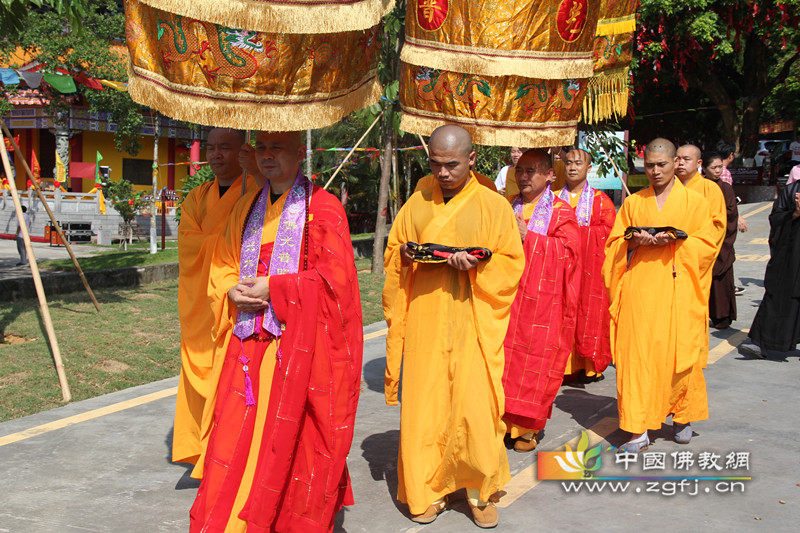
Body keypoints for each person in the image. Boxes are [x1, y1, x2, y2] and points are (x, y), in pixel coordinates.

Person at [190, 130, 363, 532]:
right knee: (235, 435)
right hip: (249, 345)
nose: (267, 156)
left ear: (300, 152)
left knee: (292, 439)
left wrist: (279, 288)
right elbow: (227, 261)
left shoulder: (324, 207)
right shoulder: (249, 204)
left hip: (297, 350)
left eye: (277, 147)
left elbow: (336, 284)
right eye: (262, 148)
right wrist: (233, 288)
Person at [383, 125, 524, 528]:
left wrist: (480, 264)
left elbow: (511, 262)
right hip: (427, 316)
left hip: (473, 317)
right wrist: (408, 256)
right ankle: (427, 488)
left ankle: (480, 489)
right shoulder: (417, 202)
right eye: (435, 164)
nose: (442, 173)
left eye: (451, 165)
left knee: (475, 407)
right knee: (426, 406)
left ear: (471, 159)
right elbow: (396, 250)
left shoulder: (493, 206)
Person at [602, 138, 718, 452]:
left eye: (661, 165)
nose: (655, 171)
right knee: (637, 357)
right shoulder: (634, 203)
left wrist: (676, 240)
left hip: (678, 289)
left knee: (680, 355)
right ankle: (638, 428)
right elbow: (613, 245)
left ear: (675, 163)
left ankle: (682, 415)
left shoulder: (695, 203)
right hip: (640, 288)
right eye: (649, 165)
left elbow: (708, 246)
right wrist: (635, 241)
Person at [172, 128, 262, 469]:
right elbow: (187, 245)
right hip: (202, 302)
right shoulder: (196, 196)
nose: (216, 155)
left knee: (236, 378)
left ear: (243, 151)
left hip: (237, 301)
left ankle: (227, 453)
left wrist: (223, 247)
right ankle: (201, 449)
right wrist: (225, 244)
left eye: (225, 147)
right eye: (211, 147)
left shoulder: (256, 192)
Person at [502, 149, 581, 452]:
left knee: (534, 365)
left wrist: (530, 239)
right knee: (504, 363)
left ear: (550, 174)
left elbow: (570, 254)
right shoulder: (509, 206)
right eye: (519, 170)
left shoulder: (560, 211)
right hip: (508, 298)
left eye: (531, 171)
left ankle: (527, 427)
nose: (523, 176)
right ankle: (501, 422)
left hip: (542, 304)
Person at [555, 148, 616, 383]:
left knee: (588, 313)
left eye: (578, 163)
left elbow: (610, 234)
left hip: (589, 271)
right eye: (568, 163)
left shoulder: (602, 201)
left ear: (588, 168)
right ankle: (563, 366)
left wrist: (575, 234)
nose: (572, 167)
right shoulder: (552, 199)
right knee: (561, 314)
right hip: (560, 269)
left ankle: (589, 366)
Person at [675, 144, 727, 366]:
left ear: (698, 164)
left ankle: (691, 357)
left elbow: (717, 226)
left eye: (686, 159)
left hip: (693, 260)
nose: (680, 163)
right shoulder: (667, 188)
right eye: (676, 159)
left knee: (692, 310)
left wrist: (688, 245)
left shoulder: (709, 189)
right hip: (664, 261)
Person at [740, 179, 800, 357]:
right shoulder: (792, 190)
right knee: (778, 294)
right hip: (790, 255)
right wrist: (795, 213)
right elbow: (775, 218)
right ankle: (762, 343)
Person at [702, 152, 739, 329]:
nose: (717, 171)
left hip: (721, 238)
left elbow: (731, 214)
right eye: (713, 168)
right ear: (704, 168)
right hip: (702, 236)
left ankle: (722, 315)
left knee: (721, 279)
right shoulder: (700, 187)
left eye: (719, 167)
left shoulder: (725, 188)